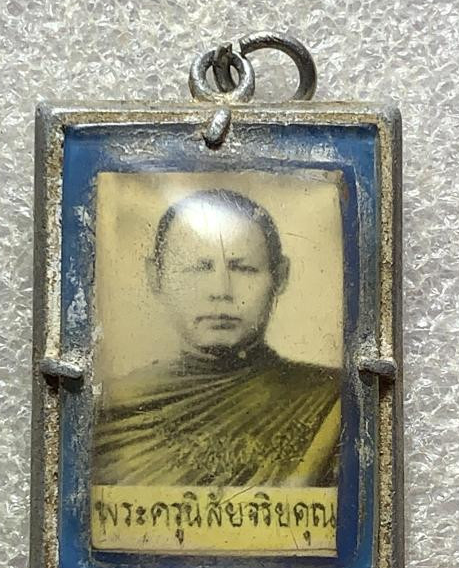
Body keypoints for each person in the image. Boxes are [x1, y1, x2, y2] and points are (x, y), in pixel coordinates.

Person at [93, 188, 340, 487]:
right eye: (198, 268)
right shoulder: (111, 410)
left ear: (280, 275)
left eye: (244, 268)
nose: (221, 291)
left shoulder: (331, 402)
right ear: (156, 277)